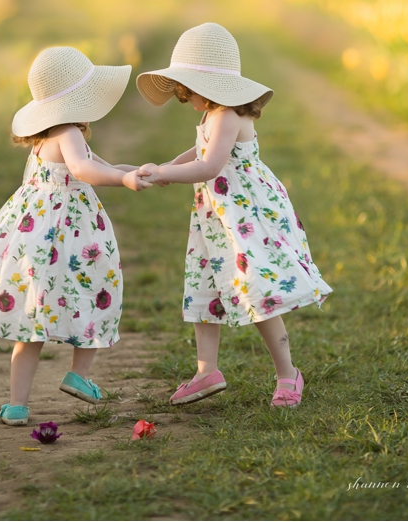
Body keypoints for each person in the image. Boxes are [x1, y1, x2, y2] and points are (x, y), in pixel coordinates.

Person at [0, 46, 150, 425]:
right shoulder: (69, 132)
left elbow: (102, 165)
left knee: (32, 321)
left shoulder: (46, 138)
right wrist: (123, 180)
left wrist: (137, 172)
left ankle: (17, 405)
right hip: (72, 238)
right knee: (94, 293)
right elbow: (84, 170)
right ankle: (78, 375)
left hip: (37, 243)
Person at [136, 23, 330, 408]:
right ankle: (206, 371)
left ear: (206, 85)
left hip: (244, 217)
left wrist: (163, 174)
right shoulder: (213, 115)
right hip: (216, 219)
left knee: (256, 291)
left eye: (187, 89)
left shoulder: (227, 116)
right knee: (203, 288)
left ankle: (288, 374)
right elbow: (199, 152)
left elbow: (209, 167)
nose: (184, 97)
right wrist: (168, 166)